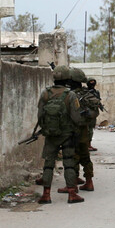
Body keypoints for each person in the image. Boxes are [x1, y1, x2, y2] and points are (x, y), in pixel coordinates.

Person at [36, 65, 84, 204]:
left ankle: (46, 195)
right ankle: (71, 193)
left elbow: (40, 115)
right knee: (69, 163)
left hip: (51, 135)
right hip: (67, 135)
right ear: (67, 78)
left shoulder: (45, 93)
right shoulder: (71, 95)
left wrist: (47, 128)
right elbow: (76, 117)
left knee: (48, 164)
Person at [56, 68, 99, 195]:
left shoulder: (69, 95)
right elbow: (95, 111)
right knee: (85, 156)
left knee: (71, 156)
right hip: (84, 130)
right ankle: (89, 182)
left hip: (71, 130)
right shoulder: (87, 94)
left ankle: (72, 184)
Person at [86, 78, 101, 151]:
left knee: (91, 129)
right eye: (90, 82)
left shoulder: (96, 92)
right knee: (87, 130)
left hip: (93, 113)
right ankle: (86, 145)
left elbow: (98, 101)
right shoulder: (85, 92)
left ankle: (89, 144)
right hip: (87, 113)